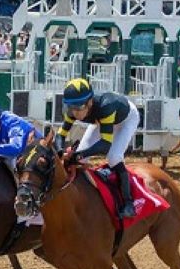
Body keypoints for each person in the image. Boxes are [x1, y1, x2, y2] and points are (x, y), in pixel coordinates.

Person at [57, 77, 141, 218]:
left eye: (79, 108)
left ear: (90, 102)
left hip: (126, 120)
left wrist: (77, 156)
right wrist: (60, 152)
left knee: (114, 157)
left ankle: (128, 203)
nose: (75, 113)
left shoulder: (105, 106)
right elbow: (60, 135)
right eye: (71, 107)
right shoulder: (73, 109)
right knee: (80, 159)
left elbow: (105, 145)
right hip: (100, 121)